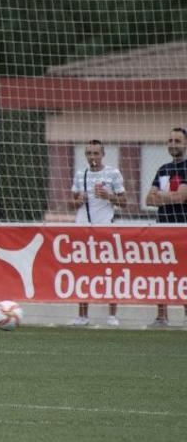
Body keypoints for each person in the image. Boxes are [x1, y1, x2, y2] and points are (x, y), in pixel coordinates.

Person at [69, 140, 125, 327]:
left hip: (105, 227)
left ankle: (112, 315)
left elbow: (124, 202)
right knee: (82, 271)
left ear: (102, 154)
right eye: (89, 154)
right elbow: (71, 203)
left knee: (109, 270)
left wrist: (108, 196)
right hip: (83, 227)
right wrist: (79, 200)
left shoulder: (113, 173)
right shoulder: (80, 174)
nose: (92, 157)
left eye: (95, 153)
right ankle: (82, 315)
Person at [145, 127, 187, 327]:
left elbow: (182, 196)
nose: (173, 144)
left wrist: (161, 197)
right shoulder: (163, 169)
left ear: (185, 144)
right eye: (170, 140)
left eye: (177, 141)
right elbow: (148, 199)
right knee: (161, 271)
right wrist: (169, 197)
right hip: (162, 227)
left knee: (184, 272)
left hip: (183, 228)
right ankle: (161, 316)